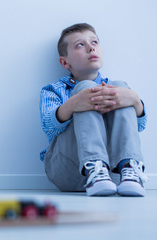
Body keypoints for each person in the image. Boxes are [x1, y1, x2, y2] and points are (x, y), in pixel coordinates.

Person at [39, 23, 148, 197]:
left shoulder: (114, 88)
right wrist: (75, 102)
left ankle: (129, 168)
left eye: (94, 42)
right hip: (68, 171)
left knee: (120, 88)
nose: (91, 48)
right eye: (80, 45)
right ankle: (94, 166)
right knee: (86, 89)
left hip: (113, 175)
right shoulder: (53, 90)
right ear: (65, 62)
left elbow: (139, 127)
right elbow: (49, 126)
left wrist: (134, 100)